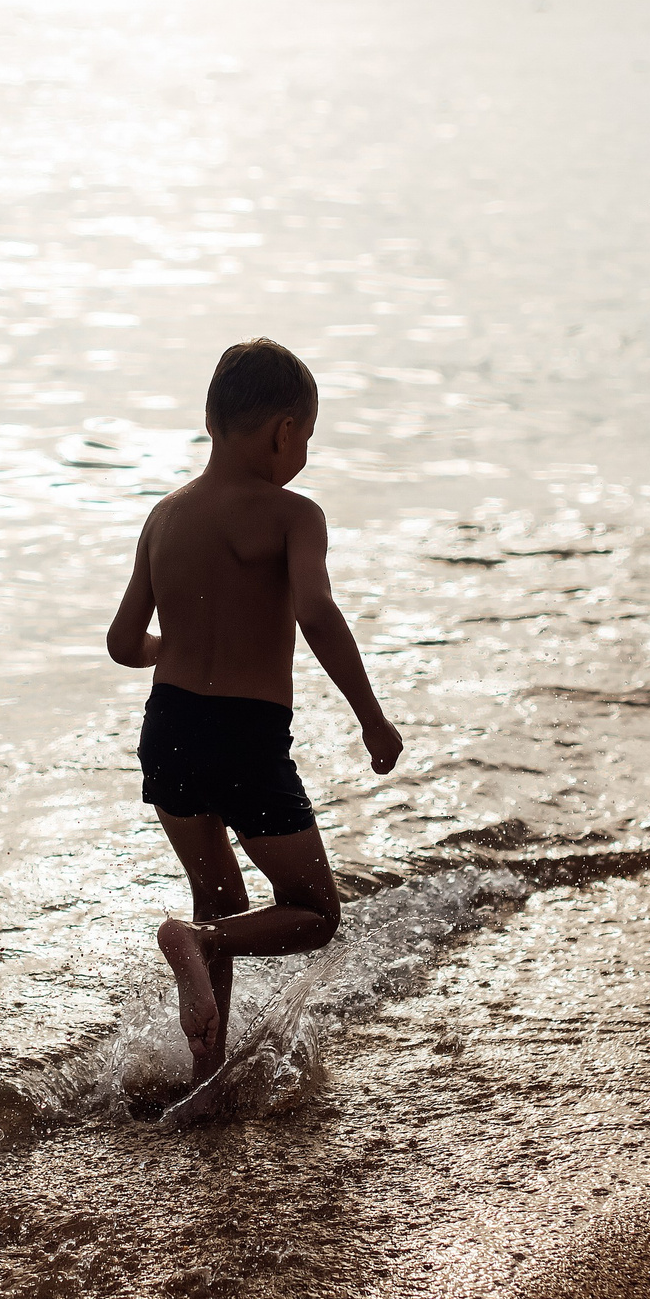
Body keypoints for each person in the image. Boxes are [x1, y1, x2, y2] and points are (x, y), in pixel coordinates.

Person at [105, 337, 404, 1124]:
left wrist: (180, 647)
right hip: (245, 734)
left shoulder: (164, 516)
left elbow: (124, 643)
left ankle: (204, 1074)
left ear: (212, 418)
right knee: (313, 909)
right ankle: (199, 946)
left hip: (169, 726)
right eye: (307, 436)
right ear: (284, 431)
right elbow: (317, 614)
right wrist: (371, 716)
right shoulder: (293, 515)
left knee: (218, 896)